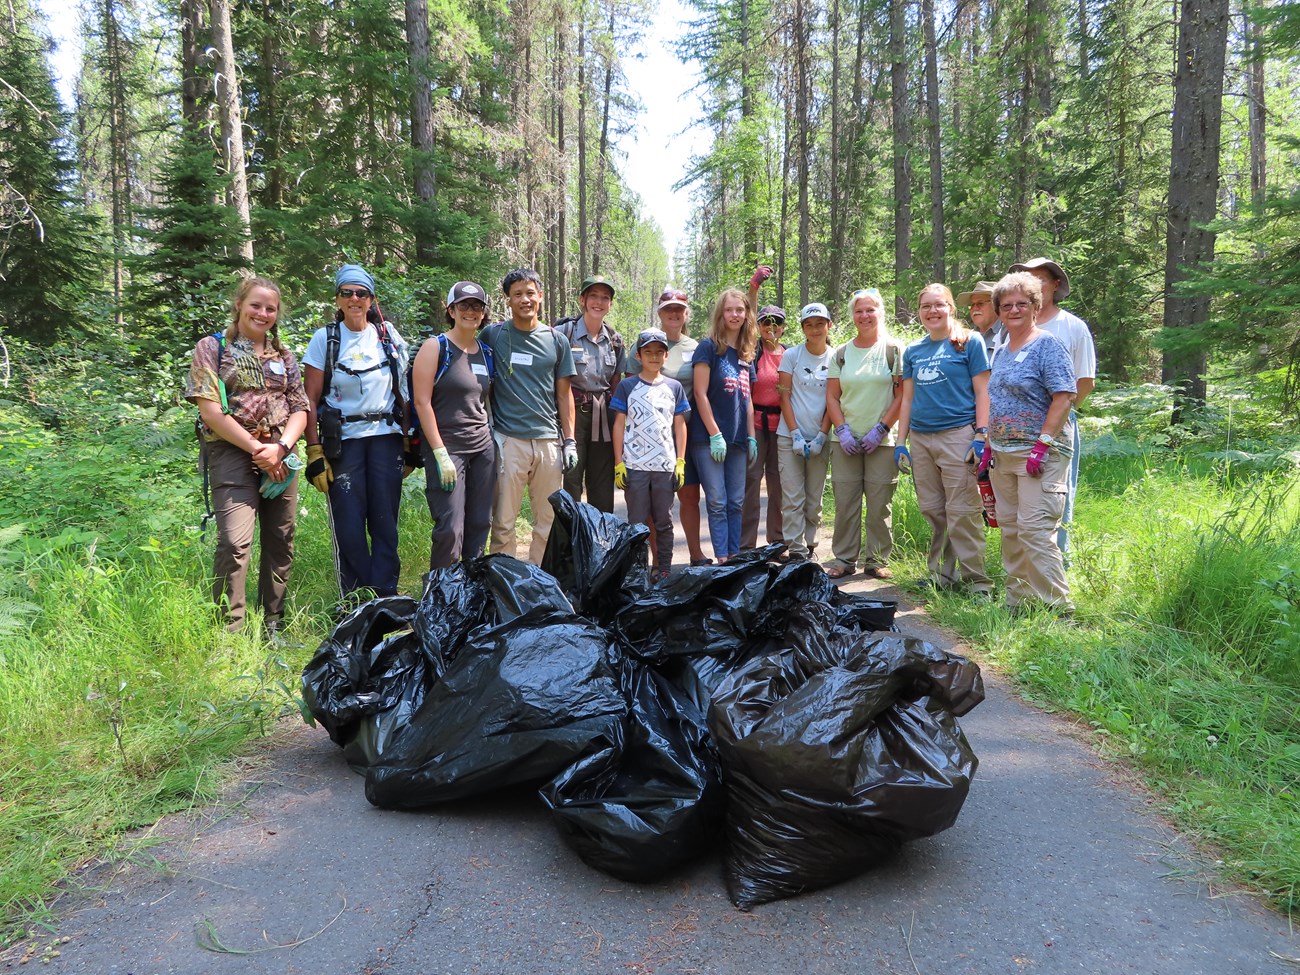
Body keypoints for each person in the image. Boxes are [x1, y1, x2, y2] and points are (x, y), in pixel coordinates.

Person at [185, 276, 308, 635]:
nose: (263, 313)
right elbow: (210, 411)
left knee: (280, 538)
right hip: (232, 452)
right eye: (256, 305)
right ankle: (229, 631)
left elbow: (300, 407)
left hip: (282, 453)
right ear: (239, 304)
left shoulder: (283, 355)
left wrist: (280, 448)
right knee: (235, 542)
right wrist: (258, 450)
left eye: (271, 308)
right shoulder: (213, 347)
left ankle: (273, 621)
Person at [303, 264, 409, 602]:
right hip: (342, 443)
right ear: (337, 298)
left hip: (386, 438)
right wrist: (314, 451)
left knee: (385, 522)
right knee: (349, 525)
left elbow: (403, 388)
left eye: (361, 293)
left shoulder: (387, 335)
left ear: (371, 299)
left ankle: (386, 596)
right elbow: (309, 398)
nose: (354, 299)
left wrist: (411, 443)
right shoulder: (326, 339)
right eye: (347, 292)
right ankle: (356, 598)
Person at [984, 271, 1076, 613]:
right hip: (1003, 456)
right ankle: (1018, 605)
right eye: (1006, 305)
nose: (1014, 310)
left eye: (1022, 303)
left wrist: (1044, 442)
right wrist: (990, 446)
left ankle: (1058, 609)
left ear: (1036, 306)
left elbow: (1064, 397)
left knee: (1035, 533)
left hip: (1040, 456)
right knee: (1011, 531)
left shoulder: (1047, 345)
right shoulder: (1002, 349)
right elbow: (997, 400)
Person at [894, 283, 992, 596]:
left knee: (962, 510)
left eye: (939, 305)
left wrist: (981, 433)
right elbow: (907, 399)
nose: (933, 311)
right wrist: (900, 442)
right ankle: (942, 576)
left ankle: (977, 581)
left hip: (958, 436)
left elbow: (983, 391)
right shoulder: (913, 350)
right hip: (922, 439)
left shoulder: (969, 342)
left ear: (951, 308)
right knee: (933, 509)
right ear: (919, 312)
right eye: (926, 306)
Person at [481, 268, 577, 563]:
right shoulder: (493, 335)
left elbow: (564, 394)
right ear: (508, 300)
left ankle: (540, 584)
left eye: (530, 293)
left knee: (548, 522)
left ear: (541, 296)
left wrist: (569, 440)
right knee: (503, 522)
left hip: (548, 441)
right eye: (518, 294)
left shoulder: (555, 340)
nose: (525, 299)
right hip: (509, 441)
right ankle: (503, 583)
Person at [1007, 257, 1096, 559]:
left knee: (1055, 499)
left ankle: (1058, 570)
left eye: (1039, 279)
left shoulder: (1071, 327)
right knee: (1020, 509)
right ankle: (1023, 581)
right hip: (1013, 436)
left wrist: (1058, 418)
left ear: (1055, 285)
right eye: (1026, 278)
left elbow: (1083, 382)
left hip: (1055, 431)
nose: (1032, 284)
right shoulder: (1012, 325)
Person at [409, 280, 497, 570]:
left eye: (477, 306)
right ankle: (441, 597)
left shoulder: (485, 352)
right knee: (450, 529)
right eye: (463, 305)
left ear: (483, 313)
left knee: (479, 522)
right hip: (448, 449)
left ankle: (470, 594)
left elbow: (484, 401)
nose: (470, 311)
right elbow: (421, 402)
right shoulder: (436, 347)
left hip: (482, 449)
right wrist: (439, 452)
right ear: (451, 309)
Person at [824, 287, 905, 581]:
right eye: (859, 311)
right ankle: (845, 559)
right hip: (845, 440)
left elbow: (901, 395)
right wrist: (842, 430)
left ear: (880, 312)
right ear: (853, 316)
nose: (865, 315)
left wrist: (881, 428)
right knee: (846, 501)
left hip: (881, 441)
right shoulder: (842, 353)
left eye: (870, 310)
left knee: (880, 502)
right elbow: (832, 397)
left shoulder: (893, 350)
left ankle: (877, 559)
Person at [630, 289, 709, 565]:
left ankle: (696, 553)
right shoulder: (645, 344)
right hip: (650, 436)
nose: (674, 314)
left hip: (685, 430)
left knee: (689, 494)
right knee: (654, 503)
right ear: (660, 313)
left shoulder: (695, 347)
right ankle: (657, 560)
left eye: (679, 309)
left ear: (686, 313)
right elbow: (631, 388)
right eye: (668, 309)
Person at [611, 328, 690, 582]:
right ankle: (636, 570)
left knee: (664, 521)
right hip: (635, 466)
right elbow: (619, 425)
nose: (653, 357)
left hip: (665, 466)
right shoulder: (627, 386)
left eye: (659, 352)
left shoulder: (674, 388)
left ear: (666, 356)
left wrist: (680, 460)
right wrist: (618, 463)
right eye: (648, 352)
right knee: (636, 522)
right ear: (638, 355)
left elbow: (679, 425)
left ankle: (663, 567)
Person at [688, 288, 758, 562]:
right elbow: (699, 393)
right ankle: (723, 559)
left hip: (738, 440)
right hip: (708, 440)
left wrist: (751, 436)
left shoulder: (745, 352)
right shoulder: (708, 348)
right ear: (721, 313)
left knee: (736, 502)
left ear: (746, 314)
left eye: (739, 310)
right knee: (717, 502)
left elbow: (748, 398)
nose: (734, 315)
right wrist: (715, 433)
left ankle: (734, 555)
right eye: (729, 309)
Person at [557, 274, 625, 513]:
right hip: (571, 414)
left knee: (602, 484)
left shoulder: (615, 340)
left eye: (605, 298)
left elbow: (616, 384)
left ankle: (601, 541)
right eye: (593, 296)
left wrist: (619, 422)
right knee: (571, 481)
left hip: (603, 416)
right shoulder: (564, 332)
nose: (599, 302)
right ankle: (571, 543)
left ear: (610, 304)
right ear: (582, 300)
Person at [775, 302, 833, 562]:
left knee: (814, 497)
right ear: (802, 329)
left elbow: (835, 399)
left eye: (820, 323)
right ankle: (796, 550)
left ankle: (811, 544)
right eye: (809, 325)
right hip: (790, 437)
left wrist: (822, 435)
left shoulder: (836, 357)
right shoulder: (792, 356)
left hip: (821, 435)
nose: (815, 329)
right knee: (793, 497)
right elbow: (784, 397)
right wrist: (795, 433)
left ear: (828, 325)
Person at [741, 301, 787, 550]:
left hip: (783, 425)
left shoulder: (790, 354)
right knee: (751, 481)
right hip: (755, 423)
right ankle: (746, 544)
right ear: (758, 326)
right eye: (766, 322)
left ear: (783, 327)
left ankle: (777, 541)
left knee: (778, 483)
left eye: (776, 322)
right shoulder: (752, 351)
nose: (771, 327)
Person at [957, 280, 1003, 357]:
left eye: (980, 303)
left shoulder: (1007, 334)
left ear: (996, 305)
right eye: (972, 305)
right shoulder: (966, 338)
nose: (975, 308)